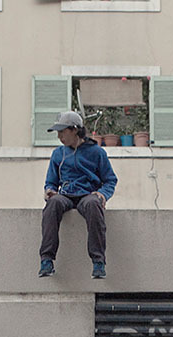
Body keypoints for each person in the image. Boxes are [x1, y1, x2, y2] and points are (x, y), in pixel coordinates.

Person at [40, 111, 117, 280]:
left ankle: (98, 262)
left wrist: (103, 194)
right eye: (58, 133)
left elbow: (110, 180)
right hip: (65, 194)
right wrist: (49, 191)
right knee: (53, 204)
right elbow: (51, 181)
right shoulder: (58, 154)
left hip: (87, 194)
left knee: (93, 204)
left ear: (75, 130)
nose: (59, 136)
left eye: (62, 131)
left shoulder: (97, 153)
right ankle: (46, 260)